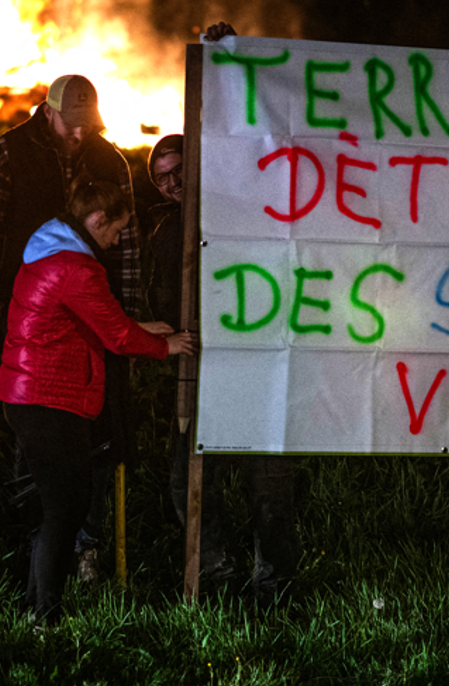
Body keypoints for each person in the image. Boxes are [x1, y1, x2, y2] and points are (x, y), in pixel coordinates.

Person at [0, 73, 145, 580]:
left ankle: (86, 547)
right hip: (34, 326)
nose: (81, 135)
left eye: (90, 125)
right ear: (49, 111)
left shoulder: (110, 161)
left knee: (99, 432)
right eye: (73, 124)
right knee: (38, 434)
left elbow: (125, 247)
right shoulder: (5, 155)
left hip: (92, 321)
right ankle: (34, 548)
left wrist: (124, 320)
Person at [0, 176, 195, 625]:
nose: (118, 239)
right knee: (65, 508)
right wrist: (170, 346)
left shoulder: (51, 248)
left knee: (55, 506)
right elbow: (117, 336)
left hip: (31, 393)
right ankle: (44, 615)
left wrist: (149, 327)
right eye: (116, 229)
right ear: (97, 219)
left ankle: (35, 606)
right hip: (49, 399)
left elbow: (98, 317)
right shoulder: (77, 268)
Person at [155, 34, 302, 607]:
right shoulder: (168, 232)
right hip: (200, 373)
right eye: (160, 177)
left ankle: (277, 587)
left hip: (257, 367)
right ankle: (215, 572)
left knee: (270, 484)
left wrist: (230, 60)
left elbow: (251, 137)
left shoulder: (244, 203)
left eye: (178, 169)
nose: (171, 182)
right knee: (187, 482)